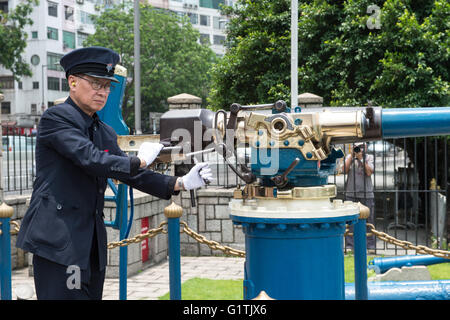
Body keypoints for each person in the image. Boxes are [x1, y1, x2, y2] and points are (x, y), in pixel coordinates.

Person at [16, 46, 213, 300]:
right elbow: (91, 158)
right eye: (96, 83)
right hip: (60, 243)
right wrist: (140, 159)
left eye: (107, 86)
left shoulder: (103, 131)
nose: (103, 91)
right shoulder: (57, 119)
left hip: (90, 245)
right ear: (72, 82)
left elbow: (127, 171)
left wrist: (180, 182)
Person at [343, 142, 376, 253]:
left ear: (366, 147)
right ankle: (350, 246)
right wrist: (351, 156)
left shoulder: (369, 157)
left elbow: (369, 172)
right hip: (351, 193)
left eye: (362, 146)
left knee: (369, 220)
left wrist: (361, 159)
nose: (359, 148)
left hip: (366, 193)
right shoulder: (349, 157)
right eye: (357, 146)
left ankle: (370, 246)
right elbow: (343, 170)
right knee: (350, 220)